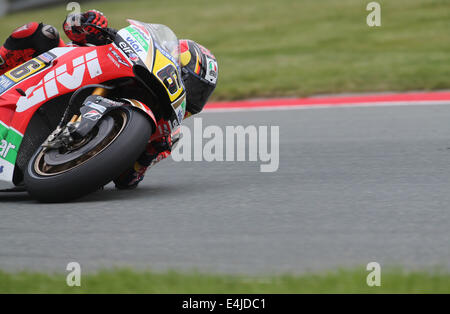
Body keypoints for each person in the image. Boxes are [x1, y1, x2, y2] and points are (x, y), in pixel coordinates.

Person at [0, 10, 218, 189]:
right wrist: (89, 22)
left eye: (200, 94)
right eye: (193, 85)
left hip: (50, 163)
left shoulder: (166, 138)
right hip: (43, 73)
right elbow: (72, 25)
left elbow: (128, 180)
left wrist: (147, 151)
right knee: (40, 33)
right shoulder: (121, 51)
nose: (193, 95)